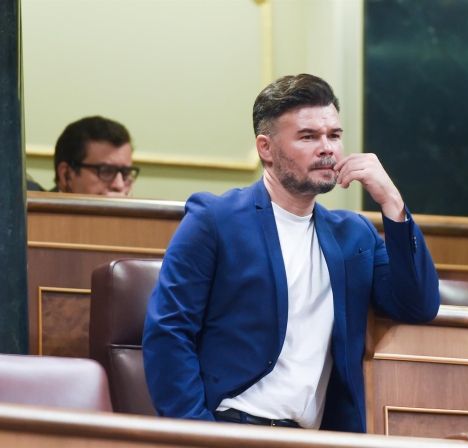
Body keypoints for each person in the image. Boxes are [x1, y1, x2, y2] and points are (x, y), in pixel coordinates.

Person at [142, 74, 440, 433]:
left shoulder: (354, 235)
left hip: (318, 437)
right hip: (232, 427)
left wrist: (392, 202)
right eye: (308, 136)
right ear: (266, 148)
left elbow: (418, 305)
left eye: (334, 135)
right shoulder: (214, 220)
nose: (327, 148)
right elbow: (169, 332)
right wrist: (198, 435)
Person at [52, 116, 140, 196]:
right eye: (106, 171)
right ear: (66, 175)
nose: (119, 185)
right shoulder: (43, 207)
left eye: (126, 173)